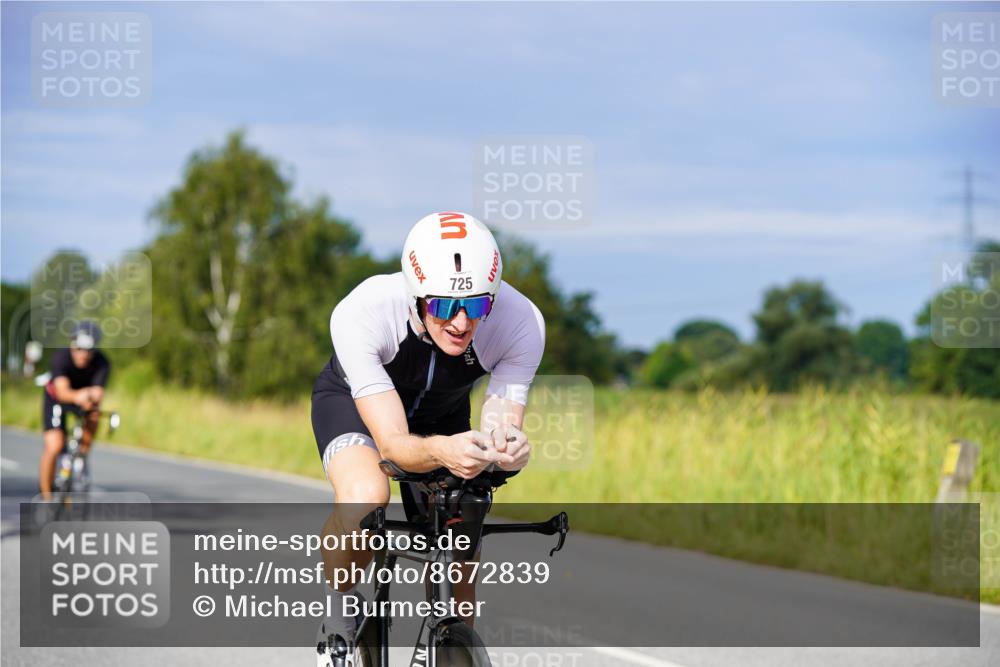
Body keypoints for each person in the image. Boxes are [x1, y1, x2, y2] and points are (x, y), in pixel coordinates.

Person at [313, 211, 545, 659]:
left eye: (476, 306)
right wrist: (443, 451)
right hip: (358, 408)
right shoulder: (363, 311)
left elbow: (502, 425)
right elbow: (393, 445)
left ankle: (449, 643)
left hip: (443, 412)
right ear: (415, 295)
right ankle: (340, 616)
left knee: (465, 513)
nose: (461, 323)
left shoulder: (521, 322)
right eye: (443, 306)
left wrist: (508, 448)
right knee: (366, 497)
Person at [38, 321, 110, 500]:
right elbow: (62, 392)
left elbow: (98, 393)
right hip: (56, 400)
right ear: (72, 345)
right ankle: (47, 498)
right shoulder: (60, 358)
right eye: (79, 348)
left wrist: (89, 399)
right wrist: (81, 395)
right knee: (55, 445)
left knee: (94, 413)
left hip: (84, 400)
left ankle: (82, 454)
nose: (83, 354)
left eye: (89, 350)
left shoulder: (102, 362)